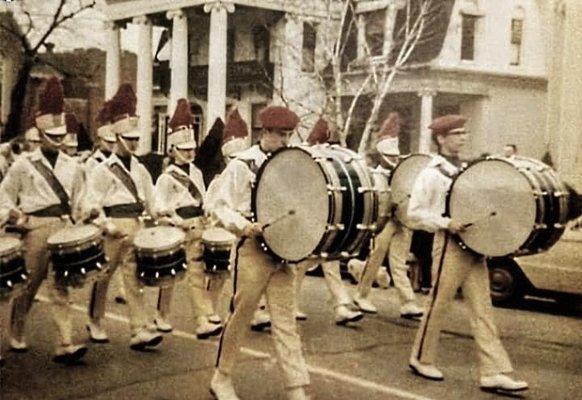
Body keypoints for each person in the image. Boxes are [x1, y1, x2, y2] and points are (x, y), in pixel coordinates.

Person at [407, 115, 528, 394]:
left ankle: (493, 372)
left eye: (464, 133)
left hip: (475, 246)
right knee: (438, 304)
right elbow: (413, 214)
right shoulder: (431, 173)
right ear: (441, 138)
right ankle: (420, 358)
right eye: (457, 133)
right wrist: (445, 222)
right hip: (448, 244)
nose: (462, 137)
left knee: (483, 309)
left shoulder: (467, 169)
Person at [207, 105, 309, 400]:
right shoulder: (243, 164)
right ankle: (221, 377)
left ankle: (295, 386)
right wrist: (243, 225)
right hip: (252, 249)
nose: (287, 141)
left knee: (286, 319)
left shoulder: (292, 164)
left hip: (283, 251)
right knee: (241, 315)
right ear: (265, 132)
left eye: (290, 135)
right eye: (281, 135)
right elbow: (218, 205)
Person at [0, 77, 87, 363]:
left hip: (63, 227)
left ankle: (65, 342)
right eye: (54, 136)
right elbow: (4, 196)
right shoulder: (23, 164)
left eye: (62, 136)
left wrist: (84, 215)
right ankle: (17, 330)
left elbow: (79, 199)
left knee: (61, 286)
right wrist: (13, 214)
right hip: (35, 227)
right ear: (41, 132)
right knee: (29, 284)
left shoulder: (72, 165)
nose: (60, 141)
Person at [81, 83, 162, 350]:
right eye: (130, 140)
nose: (135, 144)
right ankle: (94, 321)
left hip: (136, 226)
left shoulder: (139, 168)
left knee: (134, 278)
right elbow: (91, 203)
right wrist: (107, 225)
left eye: (137, 139)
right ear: (116, 138)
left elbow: (151, 200)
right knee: (103, 275)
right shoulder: (103, 170)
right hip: (113, 227)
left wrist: (161, 215)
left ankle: (139, 329)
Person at [153, 98, 225, 339]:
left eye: (192, 149)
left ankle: (199, 318)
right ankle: (173, 316)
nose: (190, 153)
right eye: (184, 150)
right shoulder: (166, 178)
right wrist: (176, 221)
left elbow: (202, 198)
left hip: (197, 226)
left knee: (194, 273)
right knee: (173, 275)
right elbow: (160, 209)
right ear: (173, 150)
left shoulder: (195, 172)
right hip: (177, 229)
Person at [350, 113, 424, 319]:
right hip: (384, 222)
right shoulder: (374, 175)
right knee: (375, 259)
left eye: (395, 156)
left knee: (399, 263)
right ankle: (361, 294)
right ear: (382, 156)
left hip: (402, 220)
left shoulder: (404, 173)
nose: (394, 159)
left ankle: (408, 302)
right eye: (390, 156)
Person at [85, 100, 128, 306]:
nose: (111, 145)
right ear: (99, 139)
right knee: (105, 267)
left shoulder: (125, 164)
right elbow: (87, 193)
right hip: (102, 215)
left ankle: (122, 289)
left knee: (126, 263)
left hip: (124, 219)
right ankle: (95, 314)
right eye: (107, 142)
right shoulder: (92, 163)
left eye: (113, 142)